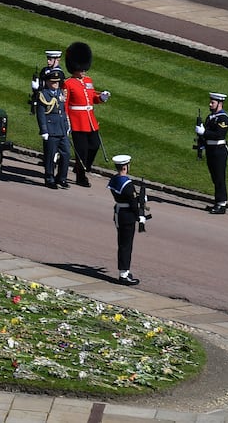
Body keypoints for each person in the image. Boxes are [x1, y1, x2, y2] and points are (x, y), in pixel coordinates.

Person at [63, 41, 109, 186]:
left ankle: (82, 167)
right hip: (77, 121)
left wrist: (101, 98)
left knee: (94, 145)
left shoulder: (88, 80)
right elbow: (65, 104)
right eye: (80, 68)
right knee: (81, 151)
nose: (83, 71)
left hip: (90, 120)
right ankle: (81, 177)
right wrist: (66, 121)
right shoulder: (68, 83)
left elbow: (92, 98)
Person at [108, 154, 147, 285]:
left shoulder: (114, 179)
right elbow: (132, 202)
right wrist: (139, 216)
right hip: (127, 216)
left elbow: (126, 197)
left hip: (119, 213)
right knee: (126, 245)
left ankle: (123, 271)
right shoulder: (128, 184)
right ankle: (123, 274)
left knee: (122, 243)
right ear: (125, 167)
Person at [196, 92, 228, 214]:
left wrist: (204, 132)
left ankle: (222, 204)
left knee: (219, 177)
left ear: (219, 103)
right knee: (215, 177)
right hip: (211, 150)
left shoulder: (223, 118)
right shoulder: (211, 117)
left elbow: (219, 135)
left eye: (213, 102)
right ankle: (217, 202)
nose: (210, 104)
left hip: (219, 151)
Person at [35, 67, 71, 189]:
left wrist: (66, 125)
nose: (56, 84)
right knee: (50, 156)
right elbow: (41, 114)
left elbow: (63, 111)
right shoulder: (43, 95)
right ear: (48, 82)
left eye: (57, 82)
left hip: (61, 129)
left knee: (66, 154)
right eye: (53, 82)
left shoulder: (60, 92)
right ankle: (49, 178)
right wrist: (44, 130)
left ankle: (61, 178)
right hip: (51, 129)